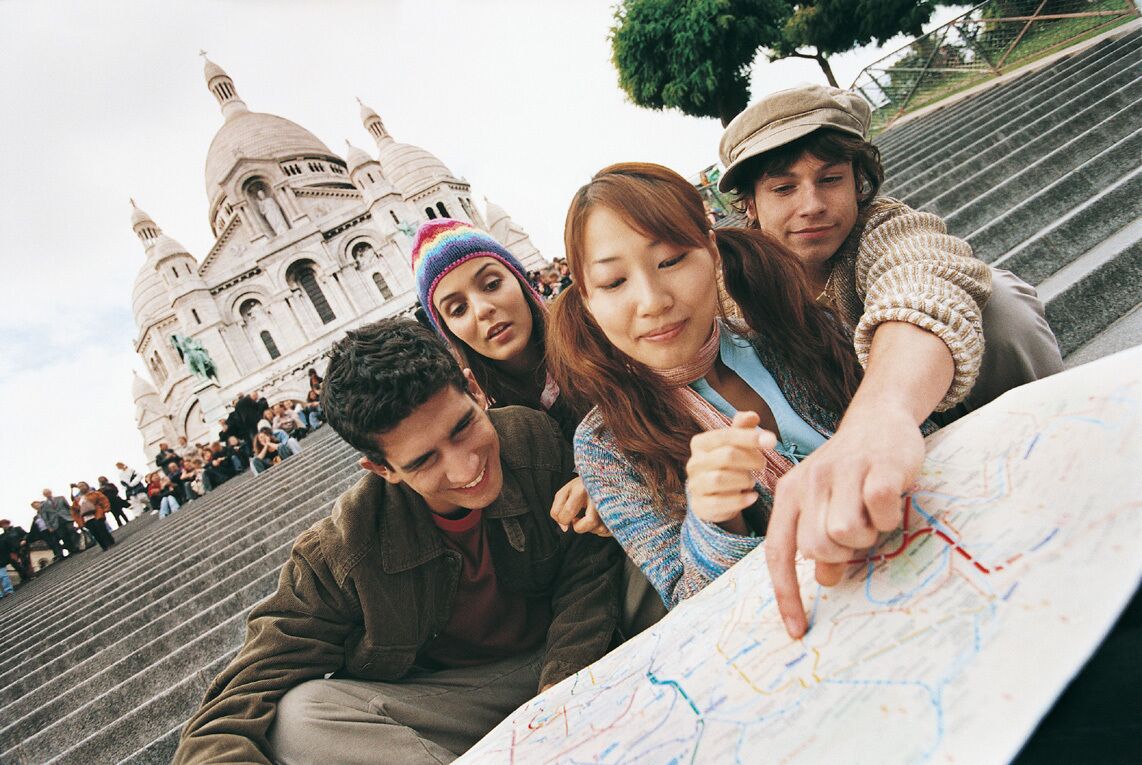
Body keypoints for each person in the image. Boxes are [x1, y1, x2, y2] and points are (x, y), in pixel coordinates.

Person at [174, 318, 623, 765]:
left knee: (641, 532)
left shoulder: (530, 436)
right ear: (383, 470)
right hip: (457, 701)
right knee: (298, 719)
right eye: (424, 460)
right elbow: (234, 705)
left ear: (474, 390)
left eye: (463, 427)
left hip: (574, 645)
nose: (466, 470)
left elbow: (588, 571)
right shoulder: (341, 552)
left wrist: (561, 685)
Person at [716, 84, 1064, 636]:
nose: (811, 204)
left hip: (923, 428)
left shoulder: (884, 229)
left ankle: (1054, 451)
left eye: (830, 179)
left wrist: (882, 414)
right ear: (751, 206)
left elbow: (922, 281)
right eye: (785, 188)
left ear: (860, 181)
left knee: (998, 301)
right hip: (827, 496)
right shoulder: (727, 283)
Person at [548, 162, 882, 611]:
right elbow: (689, 606)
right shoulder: (606, 446)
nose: (653, 301)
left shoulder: (801, 333)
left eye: (670, 260)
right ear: (589, 301)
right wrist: (715, 519)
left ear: (711, 249)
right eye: (614, 282)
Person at [70, 482, 115, 550]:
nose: (81, 487)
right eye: (80, 487)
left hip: (97, 514)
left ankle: (110, 542)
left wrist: (106, 508)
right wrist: (79, 522)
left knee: (102, 529)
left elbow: (103, 499)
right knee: (94, 532)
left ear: (86, 485)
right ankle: (103, 546)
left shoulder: (94, 493)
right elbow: (74, 510)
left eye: (82, 486)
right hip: (86, 518)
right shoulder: (77, 499)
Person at [40, 488, 79, 556]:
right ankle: (71, 549)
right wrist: (49, 527)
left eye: (48, 492)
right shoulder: (43, 505)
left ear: (51, 492)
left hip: (66, 518)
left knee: (71, 530)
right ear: (44, 495)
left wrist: (73, 516)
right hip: (55, 522)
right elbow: (45, 517)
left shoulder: (61, 498)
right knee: (63, 535)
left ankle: (76, 545)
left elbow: (68, 507)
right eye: (46, 494)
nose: (48, 494)